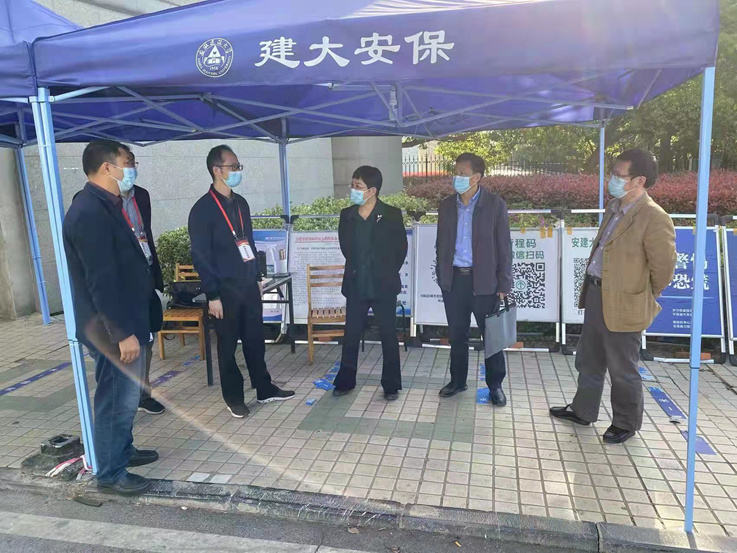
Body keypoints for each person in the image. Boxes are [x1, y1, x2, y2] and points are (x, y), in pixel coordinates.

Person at [550, 149, 676, 444]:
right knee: (589, 359)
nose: (613, 180)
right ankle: (583, 410)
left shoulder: (654, 217)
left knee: (622, 367)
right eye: (613, 174)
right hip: (597, 293)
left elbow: (664, 269)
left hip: (626, 302)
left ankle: (625, 422)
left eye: (619, 176)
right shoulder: (614, 207)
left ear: (639, 180)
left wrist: (639, 293)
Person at [63, 140, 162, 496]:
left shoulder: (108, 204)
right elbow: (101, 281)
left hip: (128, 318)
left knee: (126, 396)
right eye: (127, 162)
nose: (131, 169)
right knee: (115, 399)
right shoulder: (89, 211)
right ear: (107, 167)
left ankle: (122, 450)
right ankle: (110, 473)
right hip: (112, 329)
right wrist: (121, 333)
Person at [188, 145, 294, 418]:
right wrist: (213, 295)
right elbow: (201, 256)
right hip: (224, 290)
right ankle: (234, 397)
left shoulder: (241, 203)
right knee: (227, 346)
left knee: (255, 340)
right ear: (217, 170)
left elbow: (249, 242)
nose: (237, 171)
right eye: (233, 166)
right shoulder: (202, 210)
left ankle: (264, 388)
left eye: (238, 166)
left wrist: (257, 277)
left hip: (248, 285)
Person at [435, 153, 512, 406]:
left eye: (462, 173)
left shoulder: (494, 204)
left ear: (477, 177)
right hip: (455, 280)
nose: (456, 178)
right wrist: (442, 274)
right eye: (455, 172)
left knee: (491, 337)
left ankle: (495, 385)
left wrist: (504, 283)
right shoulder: (447, 205)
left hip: (485, 282)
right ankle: (458, 380)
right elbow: (441, 243)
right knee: (457, 335)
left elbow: (504, 247)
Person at [332, 166, 408, 401]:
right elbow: (346, 248)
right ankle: (345, 381)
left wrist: (384, 271)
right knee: (351, 334)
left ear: (372, 190)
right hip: (356, 283)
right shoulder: (347, 214)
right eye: (352, 184)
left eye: (358, 186)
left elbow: (400, 249)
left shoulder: (391, 214)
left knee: (388, 335)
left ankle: (391, 384)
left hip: (383, 286)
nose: (353, 189)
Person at [117, 147, 166, 416]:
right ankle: (124, 398)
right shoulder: (98, 201)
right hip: (121, 284)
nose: (132, 169)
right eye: (127, 163)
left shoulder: (142, 196)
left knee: (147, 338)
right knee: (124, 345)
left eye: (134, 163)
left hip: (145, 276)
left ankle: (144, 394)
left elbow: (146, 233)